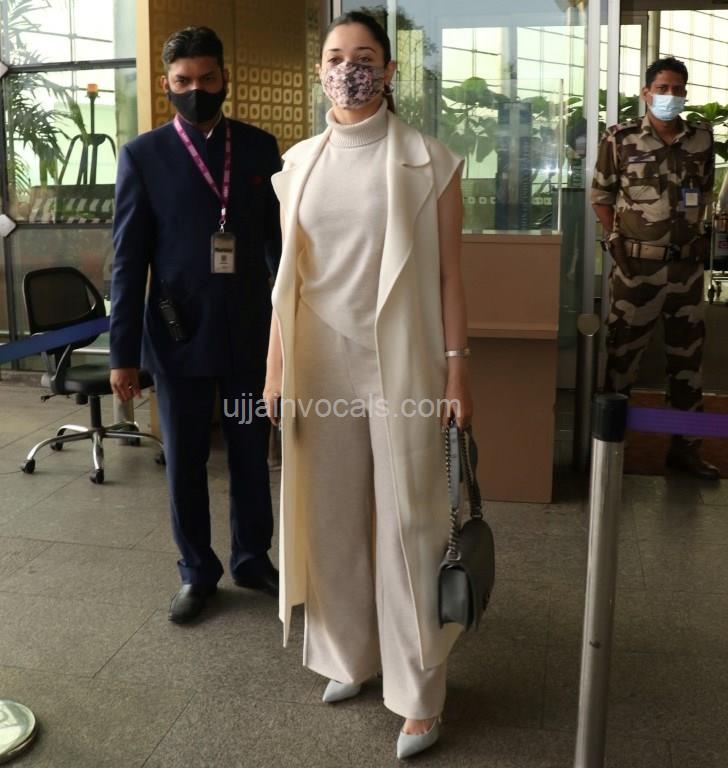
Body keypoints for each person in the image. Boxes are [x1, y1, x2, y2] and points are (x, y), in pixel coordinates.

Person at [264, 11, 472, 760]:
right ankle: (349, 655)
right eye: (334, 57)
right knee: (330, 514)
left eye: (363, 57)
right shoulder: (298, 163)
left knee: (411, 523)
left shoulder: (429, 161)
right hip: (318, 357)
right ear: (319, 69)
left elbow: (450, 277)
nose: (346, 70)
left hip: (401, 360)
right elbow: (288, 280)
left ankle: (419, 696)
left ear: (388, 69)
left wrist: (458, 370)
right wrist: (275, 368)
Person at [109, 26, 282, 624]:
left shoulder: (259, 149)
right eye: (183, 81)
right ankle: (196, 571)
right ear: (166, 84)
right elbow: (128, 261)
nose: (196, 90)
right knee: (184, 459)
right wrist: (122, 355)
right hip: (177, 336)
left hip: (249, 338)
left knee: (249, 452)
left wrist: (290, 330)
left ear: (225, 78)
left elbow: (280, 251)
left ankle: (252, 558)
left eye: (208, 78)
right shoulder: (144, 156)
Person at [592, 56, 718, 480]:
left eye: (677, 89)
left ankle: (686, 450)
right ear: (646, 93)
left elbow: (704, 192)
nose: (670, 95)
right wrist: (615, 239)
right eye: (662, 88)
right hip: (636, 272)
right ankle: (611, 454)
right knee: (620, 362)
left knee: (688, 366)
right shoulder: (620, 138)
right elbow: (600, 196)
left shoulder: (701, 140)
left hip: (686, 271)